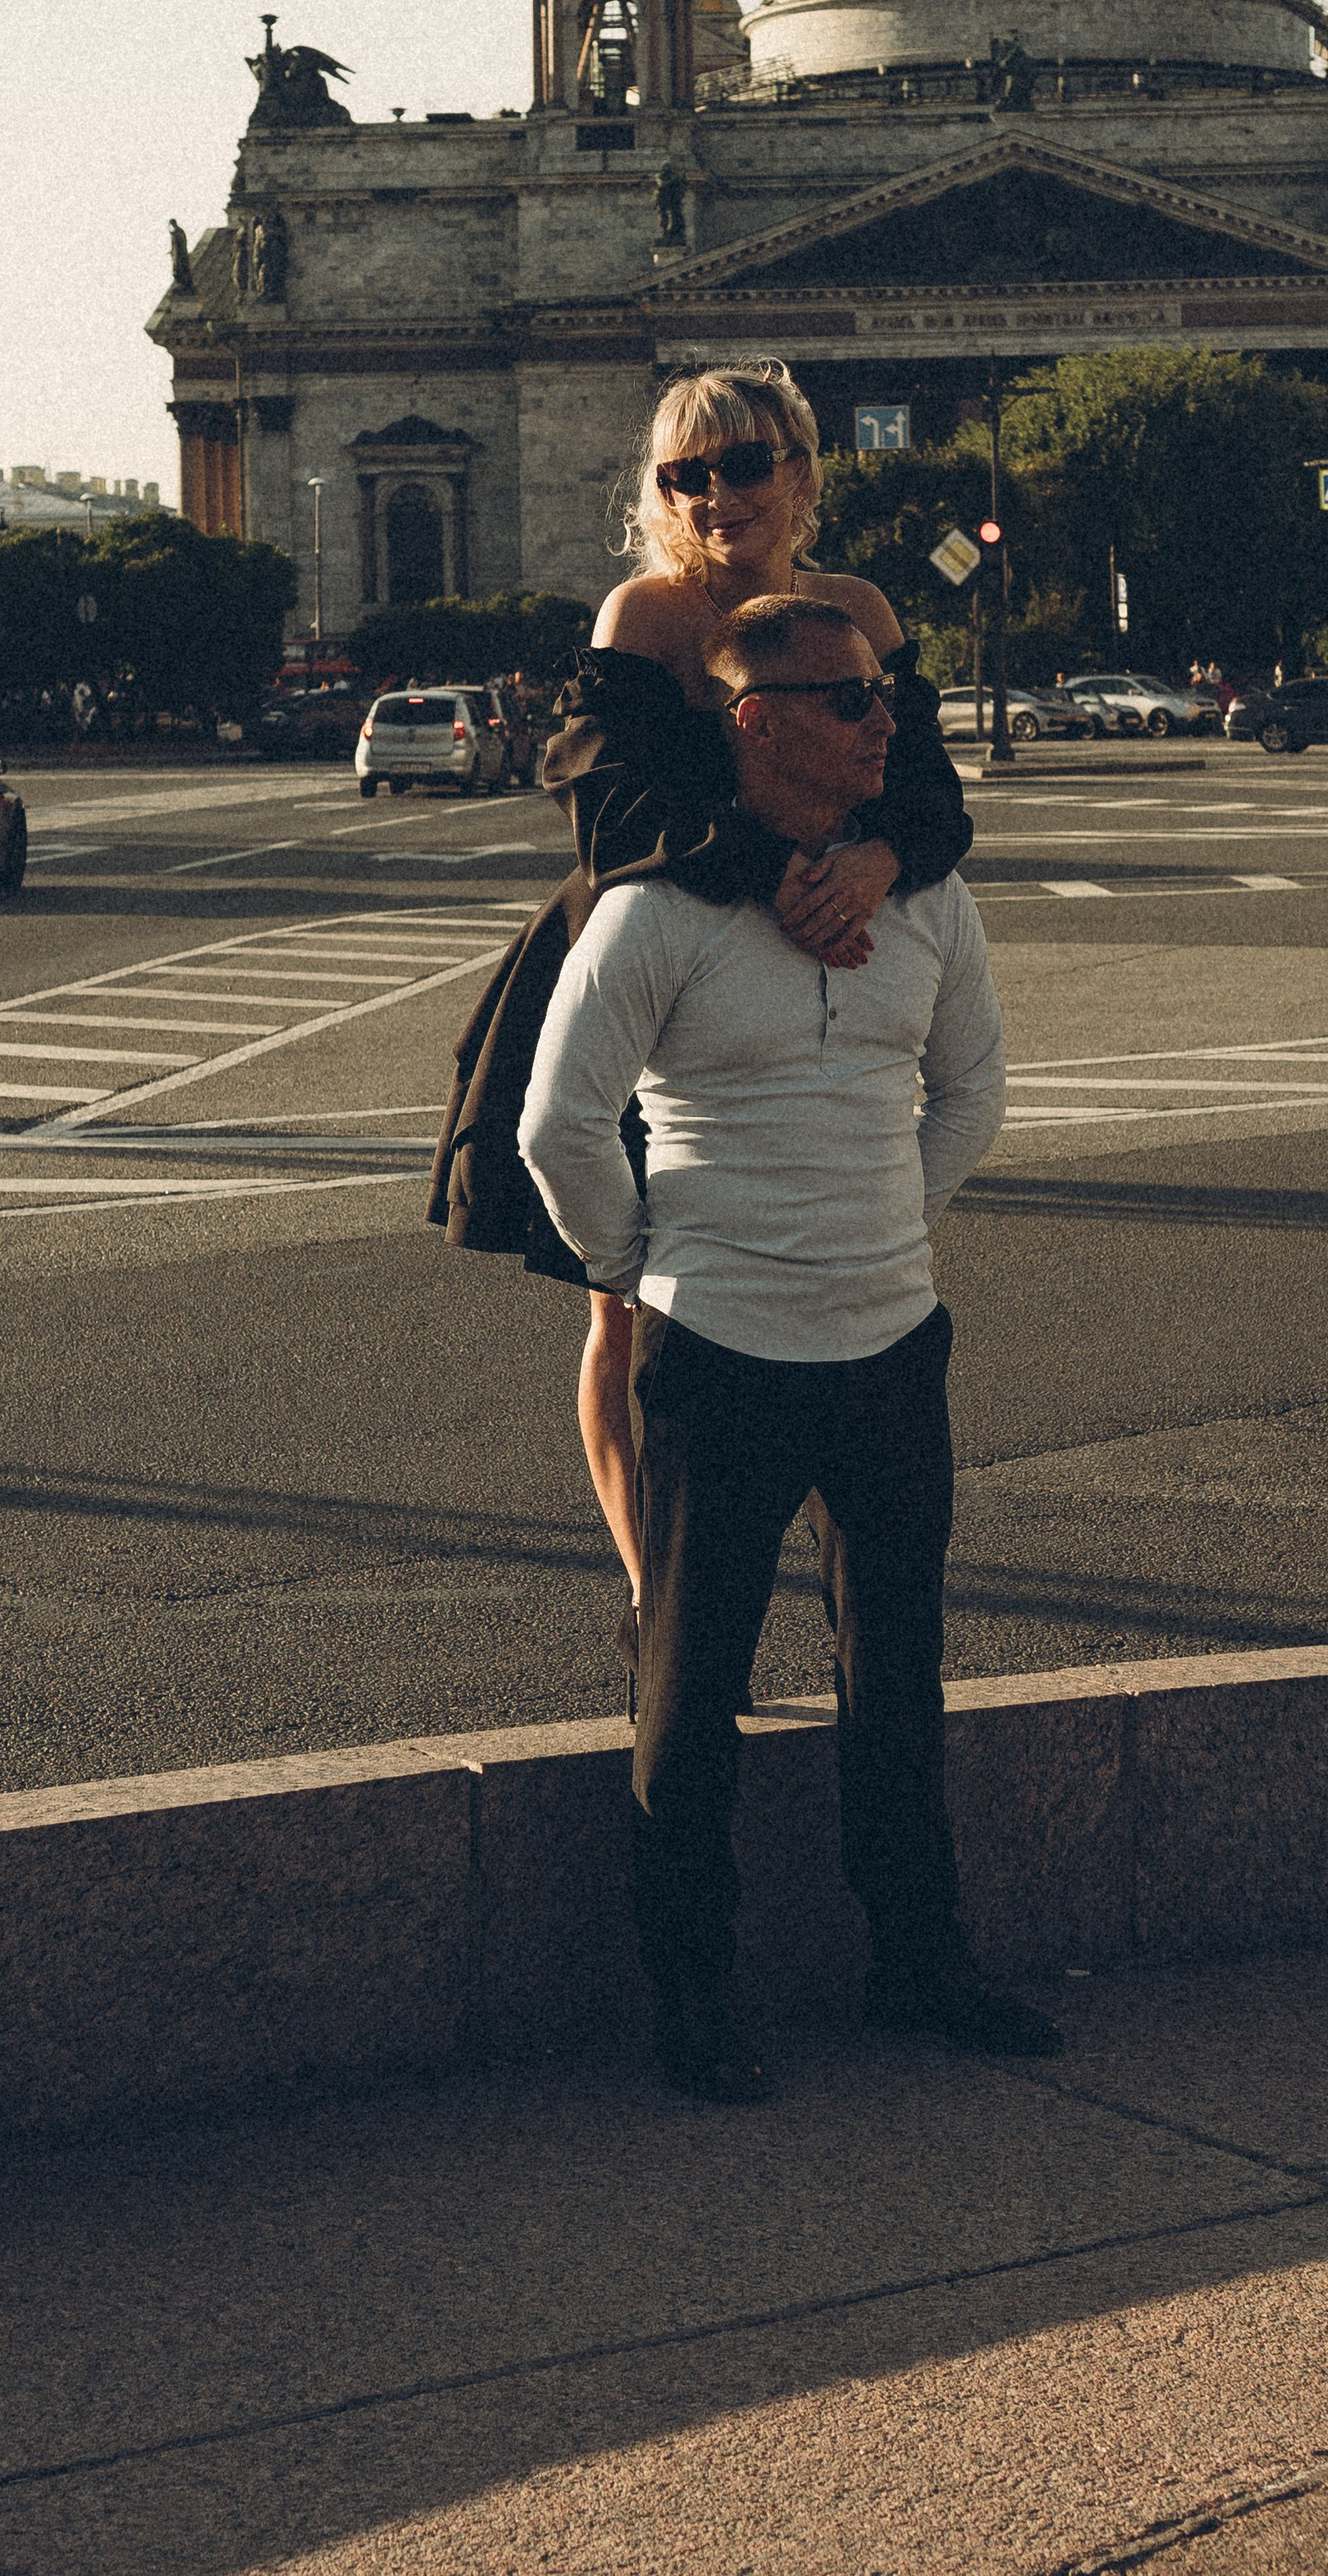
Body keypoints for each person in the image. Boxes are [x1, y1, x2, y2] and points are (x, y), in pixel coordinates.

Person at [518, 592, 1058, 2103]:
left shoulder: (927, 898)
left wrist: (889, 1225)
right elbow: (558, 1122)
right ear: (753, 724)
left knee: (902, 1677)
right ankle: (695, 1995)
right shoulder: (657, 909)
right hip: (719, 1343)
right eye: (850, 702)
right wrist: (638, 1265)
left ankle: (921, 1961)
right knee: (694, 1686)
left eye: (884, 693)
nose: (890, 721)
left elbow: (975, 1093)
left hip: (893, 1336)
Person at [428, 365, 972, 1685]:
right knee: (627, 1309)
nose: (718, 494)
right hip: (642, 959)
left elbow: (935, 794)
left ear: (801, 467)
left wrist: (878, 867)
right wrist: (776, 873)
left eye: (744, 462)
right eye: (686, 473)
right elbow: (605, 807)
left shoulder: (857, 612)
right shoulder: (645, 612)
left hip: (823, 947)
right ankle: (650, 1592)